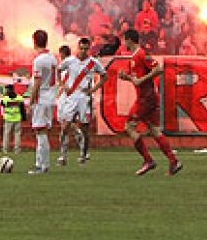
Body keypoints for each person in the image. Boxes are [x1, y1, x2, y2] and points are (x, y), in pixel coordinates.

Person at [118, 28, 182, 176]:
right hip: (147, 98)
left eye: (124, 40)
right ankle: (174, 161)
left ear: (129, 40)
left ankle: (148, 160)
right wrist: (126, 77)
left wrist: (141, 79)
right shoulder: (134, 57)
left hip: (145, 99)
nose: (123, 43)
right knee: (154, 130)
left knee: (129, 127)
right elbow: (137, 78)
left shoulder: (141, 54)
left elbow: (158, 69)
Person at [57, 36, 106, 165]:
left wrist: (93, 89)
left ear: (89, 48)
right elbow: (58, 70)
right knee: (65, 125)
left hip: (84, 96)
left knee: (84, 127)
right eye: (81, 48)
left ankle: (83, 155)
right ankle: (62, 155)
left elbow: (104, 76)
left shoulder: (93, 62)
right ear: (78, 47)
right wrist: (62, 85)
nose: (83, 51)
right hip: (71, 95)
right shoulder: (70, 61)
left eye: (86, 49)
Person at [25, 29, 59, 174]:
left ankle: (41, 165)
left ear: (34, 42)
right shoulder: (53, 58)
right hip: (51, 98)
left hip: (41, 98)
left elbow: (37, 84)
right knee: (43, 131)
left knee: (40, 132)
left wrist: (30, 103)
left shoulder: (38, 61)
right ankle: (43, 164)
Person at [0, 83, 25, 153]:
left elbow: (2, 105)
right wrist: (23, 118)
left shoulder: (5, 99)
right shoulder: (19, 98)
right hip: (17, 118)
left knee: (6, 135)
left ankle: (5, 149)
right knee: (17, 135)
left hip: (8, 119)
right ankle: (17, 149)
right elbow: (22, 109)